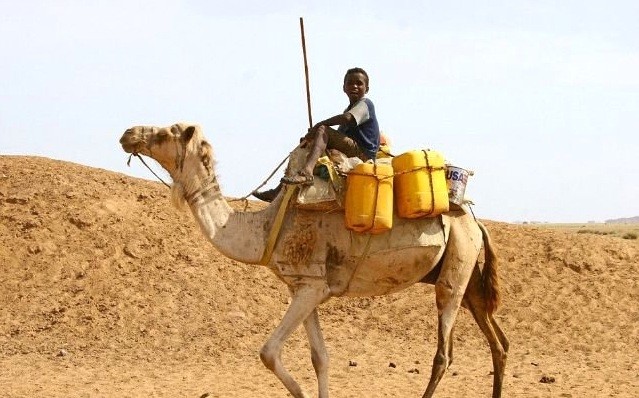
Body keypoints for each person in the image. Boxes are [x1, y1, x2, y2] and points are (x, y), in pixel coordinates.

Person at [253, 67, 380, 201]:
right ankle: (279, 190)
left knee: (322, 130)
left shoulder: (365, 104)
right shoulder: (348, 109)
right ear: (344, 87)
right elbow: (336, 136)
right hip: (351, 148)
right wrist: (312, 138)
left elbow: (347, 118)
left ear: (367, 89)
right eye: (350, 83)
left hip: (363, 153)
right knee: (310, 143)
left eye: (359, 83)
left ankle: (307, 172)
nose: (354, 86)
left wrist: (318, 127)